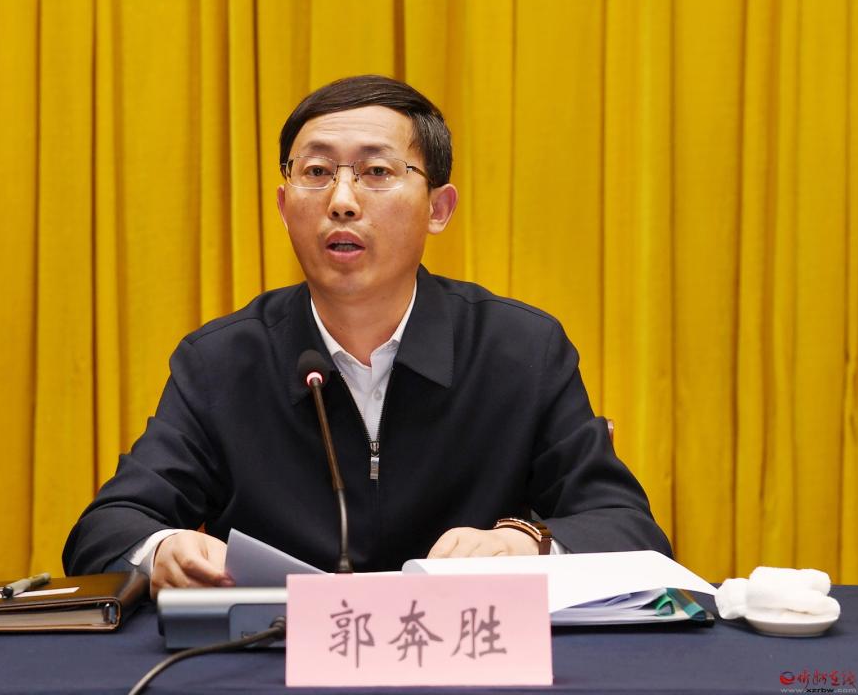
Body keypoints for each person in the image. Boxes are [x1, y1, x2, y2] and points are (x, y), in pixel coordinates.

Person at [63, 75, 671, 596]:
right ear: (284, 206)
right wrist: (162, 549)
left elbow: (629, 529)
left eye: (377, 171)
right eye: (316, 172)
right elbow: (107, 528)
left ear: (438, 208)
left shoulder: (520, 350)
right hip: (274, 661)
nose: (342, 200)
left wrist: (526, 542)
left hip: (471, 660)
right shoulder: (221, 362)